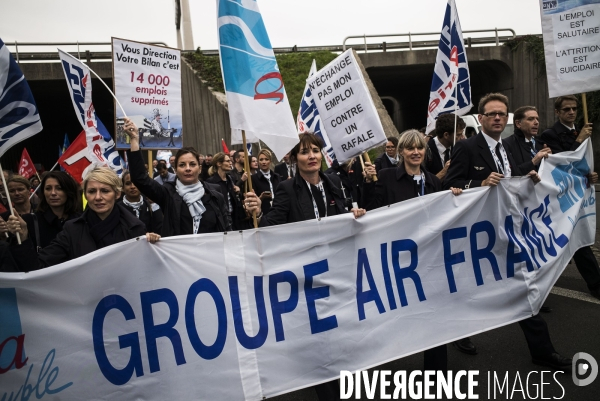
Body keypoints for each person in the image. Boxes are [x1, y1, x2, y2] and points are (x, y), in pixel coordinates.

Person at [443, 93, 571, 370]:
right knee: (467, 290)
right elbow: (448, 186)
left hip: (509, 232)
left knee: (522, 287)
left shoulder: (505, 147)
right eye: (492, 114)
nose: (498, 118)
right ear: (481, 119)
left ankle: (543, 353)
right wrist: (478, 182)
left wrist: (529, 174)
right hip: (477, 238)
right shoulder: (466, 147)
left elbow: (509, 176)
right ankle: (457, 335)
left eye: (502, 114)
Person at [245, 133, 365, 400]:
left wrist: (353, 215)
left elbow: (342, 216)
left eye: (315, 150)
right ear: (294, 158)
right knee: (321, 345)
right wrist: (258, 213)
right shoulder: (287, 189)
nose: (311, 156)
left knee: (342, 340)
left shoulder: (333, 182)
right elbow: (271, 227)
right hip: (307, 279)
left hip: (336, 274)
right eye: (304, 152)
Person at [363, 129, 462, 371]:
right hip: (397, 259)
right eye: (410, 148)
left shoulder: (433, 181)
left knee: (434, 316)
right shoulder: (384, 177)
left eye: (419, 147)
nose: (415, 152)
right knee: (394, 315)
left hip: (428, 259)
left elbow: (441, 216)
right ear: (401, 152)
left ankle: (436, 372)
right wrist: (367, 184)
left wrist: (455, 198)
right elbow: (371, 210)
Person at [7, 167, 156, 271]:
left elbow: (146, 271)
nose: (98, 197)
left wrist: (153, 246)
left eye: (105, 191)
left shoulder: (136, 229)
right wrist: (24, 237)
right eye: (92, 191)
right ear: (85, 194)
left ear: (117, 194)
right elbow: (36, 266)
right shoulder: (72, 230)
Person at [536, 95, 600, 299]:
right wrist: (579, 139)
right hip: (560, 197)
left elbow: (582, 163)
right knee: (564, 242)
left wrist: (590, 174)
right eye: (566, 110)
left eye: (574, 109)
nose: (572, 112)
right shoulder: (549, 135)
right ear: (557, 112)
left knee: (578, 240)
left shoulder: (582, 130)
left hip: (579, 194)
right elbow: (561, 164)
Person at [124, 118, 231, 236]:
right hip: (178, 254)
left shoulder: (215, 194)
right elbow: (140, 178)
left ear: (200, 168)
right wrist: (134, 139)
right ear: (175, 170)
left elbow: (226, 227)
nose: (188, 168)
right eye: (182, 165)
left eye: (192, 164)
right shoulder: (168, 194)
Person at [20, 171, 81, 251]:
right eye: (48, 188)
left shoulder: (81, 220)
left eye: (59, 188)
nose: (53, 193)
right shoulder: (30, 221)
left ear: (68, 191)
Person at [503, 106, 552, 173]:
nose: (536, 122)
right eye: (531, 119)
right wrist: (533, 161)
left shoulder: (541, 143)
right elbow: (510, 173)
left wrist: (550, 159)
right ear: (518, 123)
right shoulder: (507, 144)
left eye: (537, 119)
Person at [206, 152, 244, 230]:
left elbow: (235, 200)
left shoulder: (231, 179)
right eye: (227, 161)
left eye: (230, 161)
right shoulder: (210, 182)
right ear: (219, 164)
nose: (231, 163)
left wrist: (238, 192)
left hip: (234, 219)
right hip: (220, 221)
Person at [425, 113, 466, 181]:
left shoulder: (459, 148)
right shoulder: (426, 152)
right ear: (446, 135)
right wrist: (444, 171)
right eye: (458, 134)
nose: (462, 137)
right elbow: (426, 185)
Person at [251, 149, 281, 215]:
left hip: (278, 211)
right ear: (258, 162)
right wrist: (261, 197)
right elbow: (253, 201)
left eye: (266, 159)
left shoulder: (276, 177)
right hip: (263, 212)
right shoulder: (253, 178)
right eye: (261, 160)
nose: (264, 162)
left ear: (270, 161)